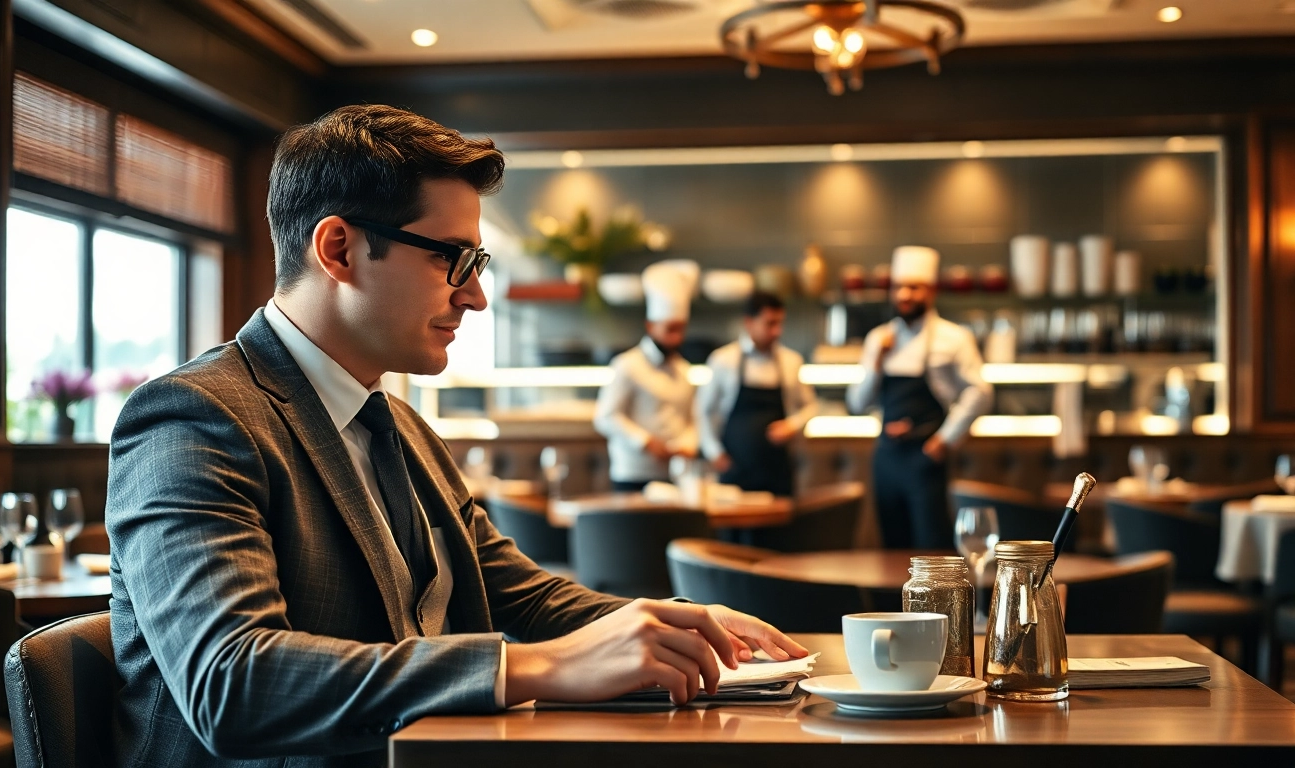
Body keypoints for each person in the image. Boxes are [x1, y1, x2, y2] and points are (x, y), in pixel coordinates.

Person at [105, 105, 805, 768]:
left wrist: (674, 625)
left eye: (478, 265)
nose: (475, 296)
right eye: (453, 260)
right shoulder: (192, 418)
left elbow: (519, 596)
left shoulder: (399, 423)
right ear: (339, 248)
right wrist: (539, 665)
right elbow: (232, 683)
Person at [848, 246, 992, 549]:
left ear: (932, 290)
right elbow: (857, 404)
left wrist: (945, 440)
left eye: (914, 287)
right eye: (898, 287)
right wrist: (876, 363)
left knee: (931, 548)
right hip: (885, 457)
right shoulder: (878, 338)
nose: (904, 295)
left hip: (925, 457)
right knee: (891, 548)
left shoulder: (953, 338)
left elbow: (980, 392)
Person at [593, 262, 701, 492]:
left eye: (681, 329)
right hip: (631, 474)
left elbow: (692, 420)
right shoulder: (627, 365)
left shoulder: (683, 370)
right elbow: (606, 416)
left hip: (672, 475)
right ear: (650, 326)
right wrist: (645, 442)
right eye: (670, 329)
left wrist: (687, 445)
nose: (676, 338)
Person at [696, 291, 817, 496]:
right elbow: (702, 410)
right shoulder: (723, 359)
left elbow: (811, 406)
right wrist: (714, 453)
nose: (777, 331)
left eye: (780, 323)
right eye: (770, 324)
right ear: (749, 322)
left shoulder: (790, 361)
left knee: (779, 527)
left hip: (777, 470)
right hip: (735, 469)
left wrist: (791, 425)